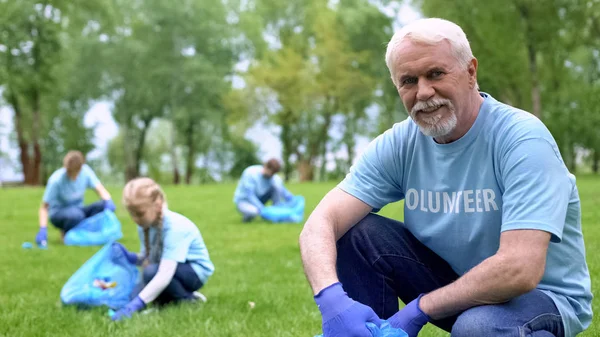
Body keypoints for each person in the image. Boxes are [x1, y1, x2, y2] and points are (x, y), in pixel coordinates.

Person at [299, 18, 592, 337]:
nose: (423, 92)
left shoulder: (522, 140)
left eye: (436, 74)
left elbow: (520, 269)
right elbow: (320, 224)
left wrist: (419, 309)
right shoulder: (400, 144)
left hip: (539, 297)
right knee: (358, 233)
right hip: (456, 284)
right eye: (408, 81)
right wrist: (331, 300)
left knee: (476, 327)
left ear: (470, 72)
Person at [111, 177, 215, 321]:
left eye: (139, 213)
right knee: (135, 291)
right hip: (167, 269)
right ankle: (168, 301)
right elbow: (149, 259)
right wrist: (131, 258)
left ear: (157, 205)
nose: (135, 219)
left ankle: (187, 300)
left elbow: (164, 273)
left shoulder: (175, 227)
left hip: (195, 273)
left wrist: (136, 304)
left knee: (150, 274)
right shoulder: (145, 225)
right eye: (132, 214)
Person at [35, 150, 116, 246]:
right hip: (59, 213)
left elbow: (100, 189)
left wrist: (108, 201)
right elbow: (44, 207)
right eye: (67, 171)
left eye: (72, 172)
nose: (69, 174)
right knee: (76, 215)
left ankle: (90, 233)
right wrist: (43, 229)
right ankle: (66, 234)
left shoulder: (85, 172)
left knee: (102, 206)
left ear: (80, 169)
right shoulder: (56, 180)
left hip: (79, 210)